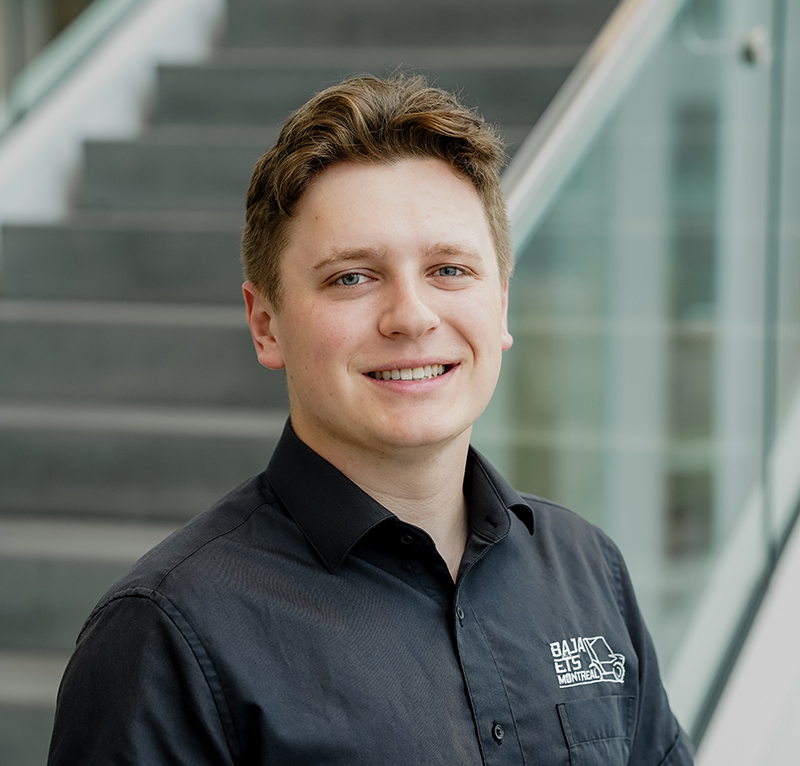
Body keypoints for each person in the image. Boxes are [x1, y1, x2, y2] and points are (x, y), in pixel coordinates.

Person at [48, 74, 694, 765]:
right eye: (352, 277)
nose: (412, 317)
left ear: (501, 306)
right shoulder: (165, 637)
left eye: (449, 269)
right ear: (266, 324)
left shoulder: (586, 568)